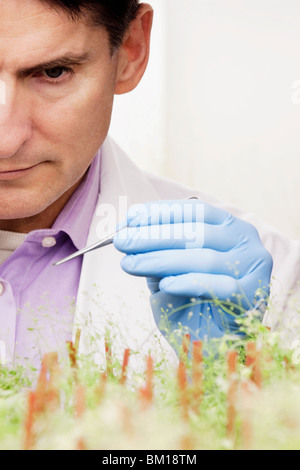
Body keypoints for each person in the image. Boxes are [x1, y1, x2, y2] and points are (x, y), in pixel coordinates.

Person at [0, 0, 298, 371]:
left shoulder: (269, 284)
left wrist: (226, 373)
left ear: (130, 51)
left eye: (54, 71)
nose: (6, 141)